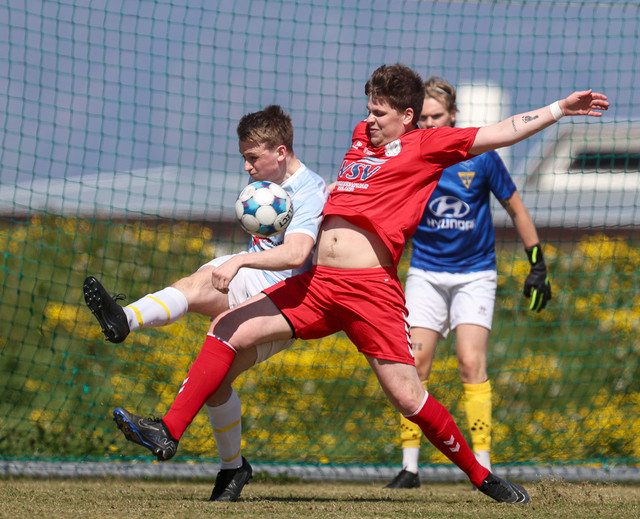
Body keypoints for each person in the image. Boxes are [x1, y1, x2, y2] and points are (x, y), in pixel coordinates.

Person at [110, 63, 608, 504]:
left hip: (371, 293)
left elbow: (502, 131)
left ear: (408, 116)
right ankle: (168, 430)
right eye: (368, 108)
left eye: (380, 112)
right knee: (226, 328)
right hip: (319, 286)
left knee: (408, 398)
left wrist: (559, 110)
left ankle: (482, 476)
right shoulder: (360, 138)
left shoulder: (427, 145)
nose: (369, 118)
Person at [83, 104, 329, 501]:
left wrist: (240, 260)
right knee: (196, 290)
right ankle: (124, 319)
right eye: (244, 158)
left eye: (253, 157)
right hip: (255, 285)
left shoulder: (310, 190)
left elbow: (297, 253)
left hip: (285, 299)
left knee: (216, 376)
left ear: (281, 152)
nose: (247, 167)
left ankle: (224, 462)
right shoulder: (266, 183)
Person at [385, 77, 551, 490]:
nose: (430, 124)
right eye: (423, 118)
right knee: (414, 365)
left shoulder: (482, 157)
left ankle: (483, 465)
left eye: (437, 116)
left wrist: (537, 265)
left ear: (453, 116)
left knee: (470, 363)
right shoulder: (409, 154)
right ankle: (409, 468)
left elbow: (516, 209)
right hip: (426, 273)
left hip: (475, 274)